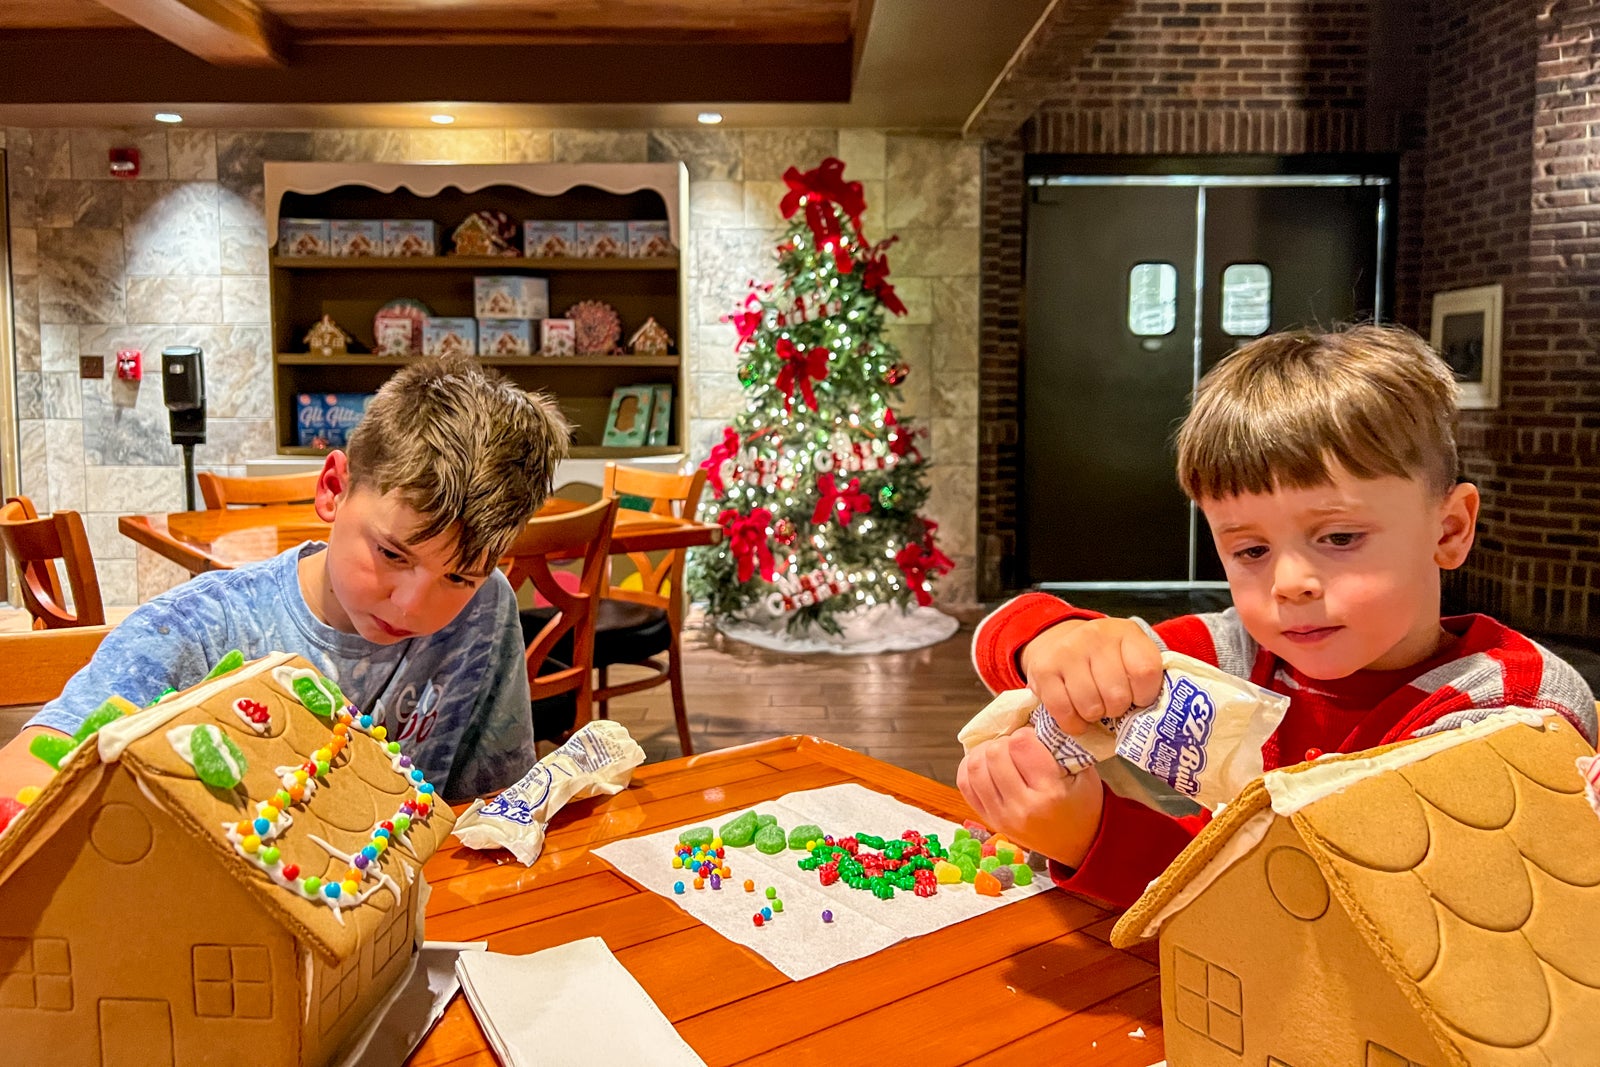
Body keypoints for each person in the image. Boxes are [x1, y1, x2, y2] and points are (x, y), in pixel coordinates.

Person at [958, 324, 1597, 909]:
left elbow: (1325, 932)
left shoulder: (1508, 712)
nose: (1289, 584)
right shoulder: (1243, 651)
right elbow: (1001, 638)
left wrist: (1093, 835)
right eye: (1252, 550)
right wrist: (1057, 642)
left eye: (1340, 538)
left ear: (1450, 528)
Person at [0, 356, 570, 804]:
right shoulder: (198, 630)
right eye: (392, 554)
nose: (413, 606)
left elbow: (497, 800)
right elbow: (30, 773)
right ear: (333, 488)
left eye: (458, 577)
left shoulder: (485, 606)